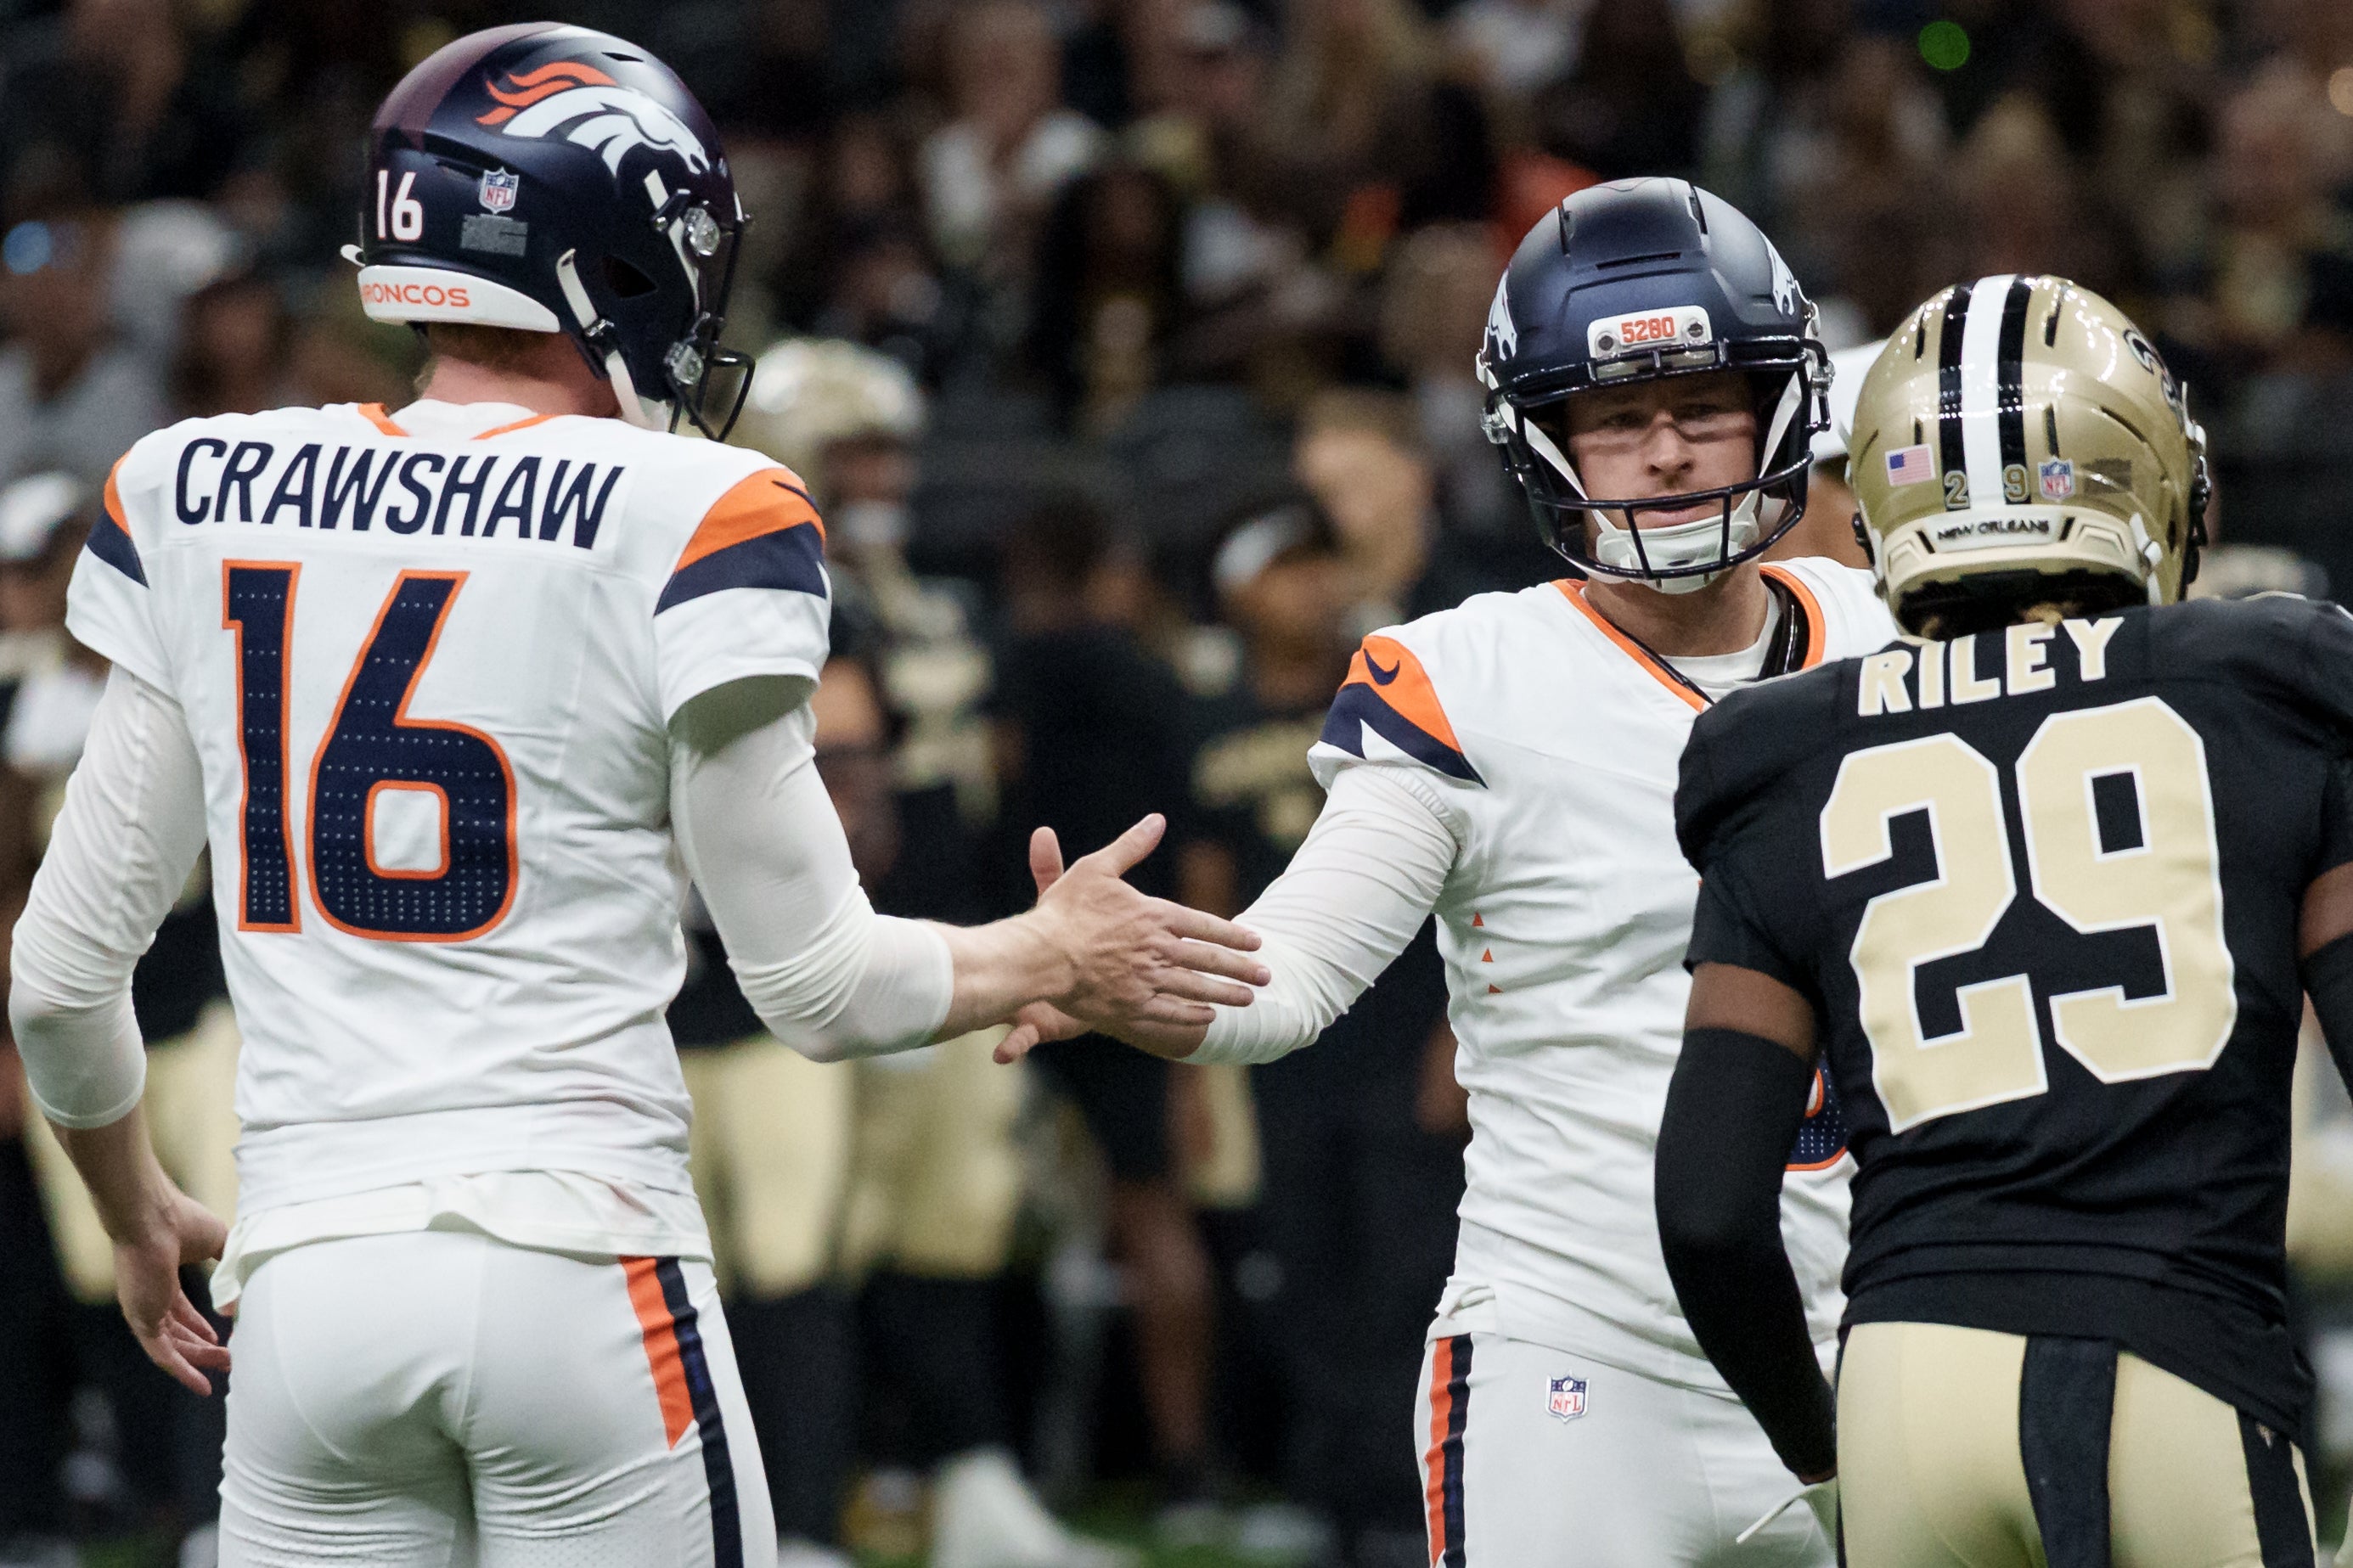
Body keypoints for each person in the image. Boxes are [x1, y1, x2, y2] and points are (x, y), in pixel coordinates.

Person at [8, 25, 1265, 1568]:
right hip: (582, 1270)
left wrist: (135, 1211)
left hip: (307, 1286)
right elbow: (818, 985)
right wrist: (1048, 951)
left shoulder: (192, 487)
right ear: (604, 253)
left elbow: (58, 979)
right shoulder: (692, 507)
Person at [1004, 177, 1895, 1562]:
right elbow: (1290, 975)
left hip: (1883, 1343)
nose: (1665, 453)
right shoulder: (1469, 677)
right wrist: (1126, 973)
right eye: (1616, 419)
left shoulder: (1899, 633)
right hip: (1587, 1362)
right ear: (1544, 440)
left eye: (1703, 405)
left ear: (1782, 408)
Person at [1660, 274, 2339, 1563]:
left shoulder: (1774, 752)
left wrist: (1823, 1449)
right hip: (2178, 1364)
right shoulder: (2270, 684)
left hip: (1907, 1389)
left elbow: (1707, 1214)